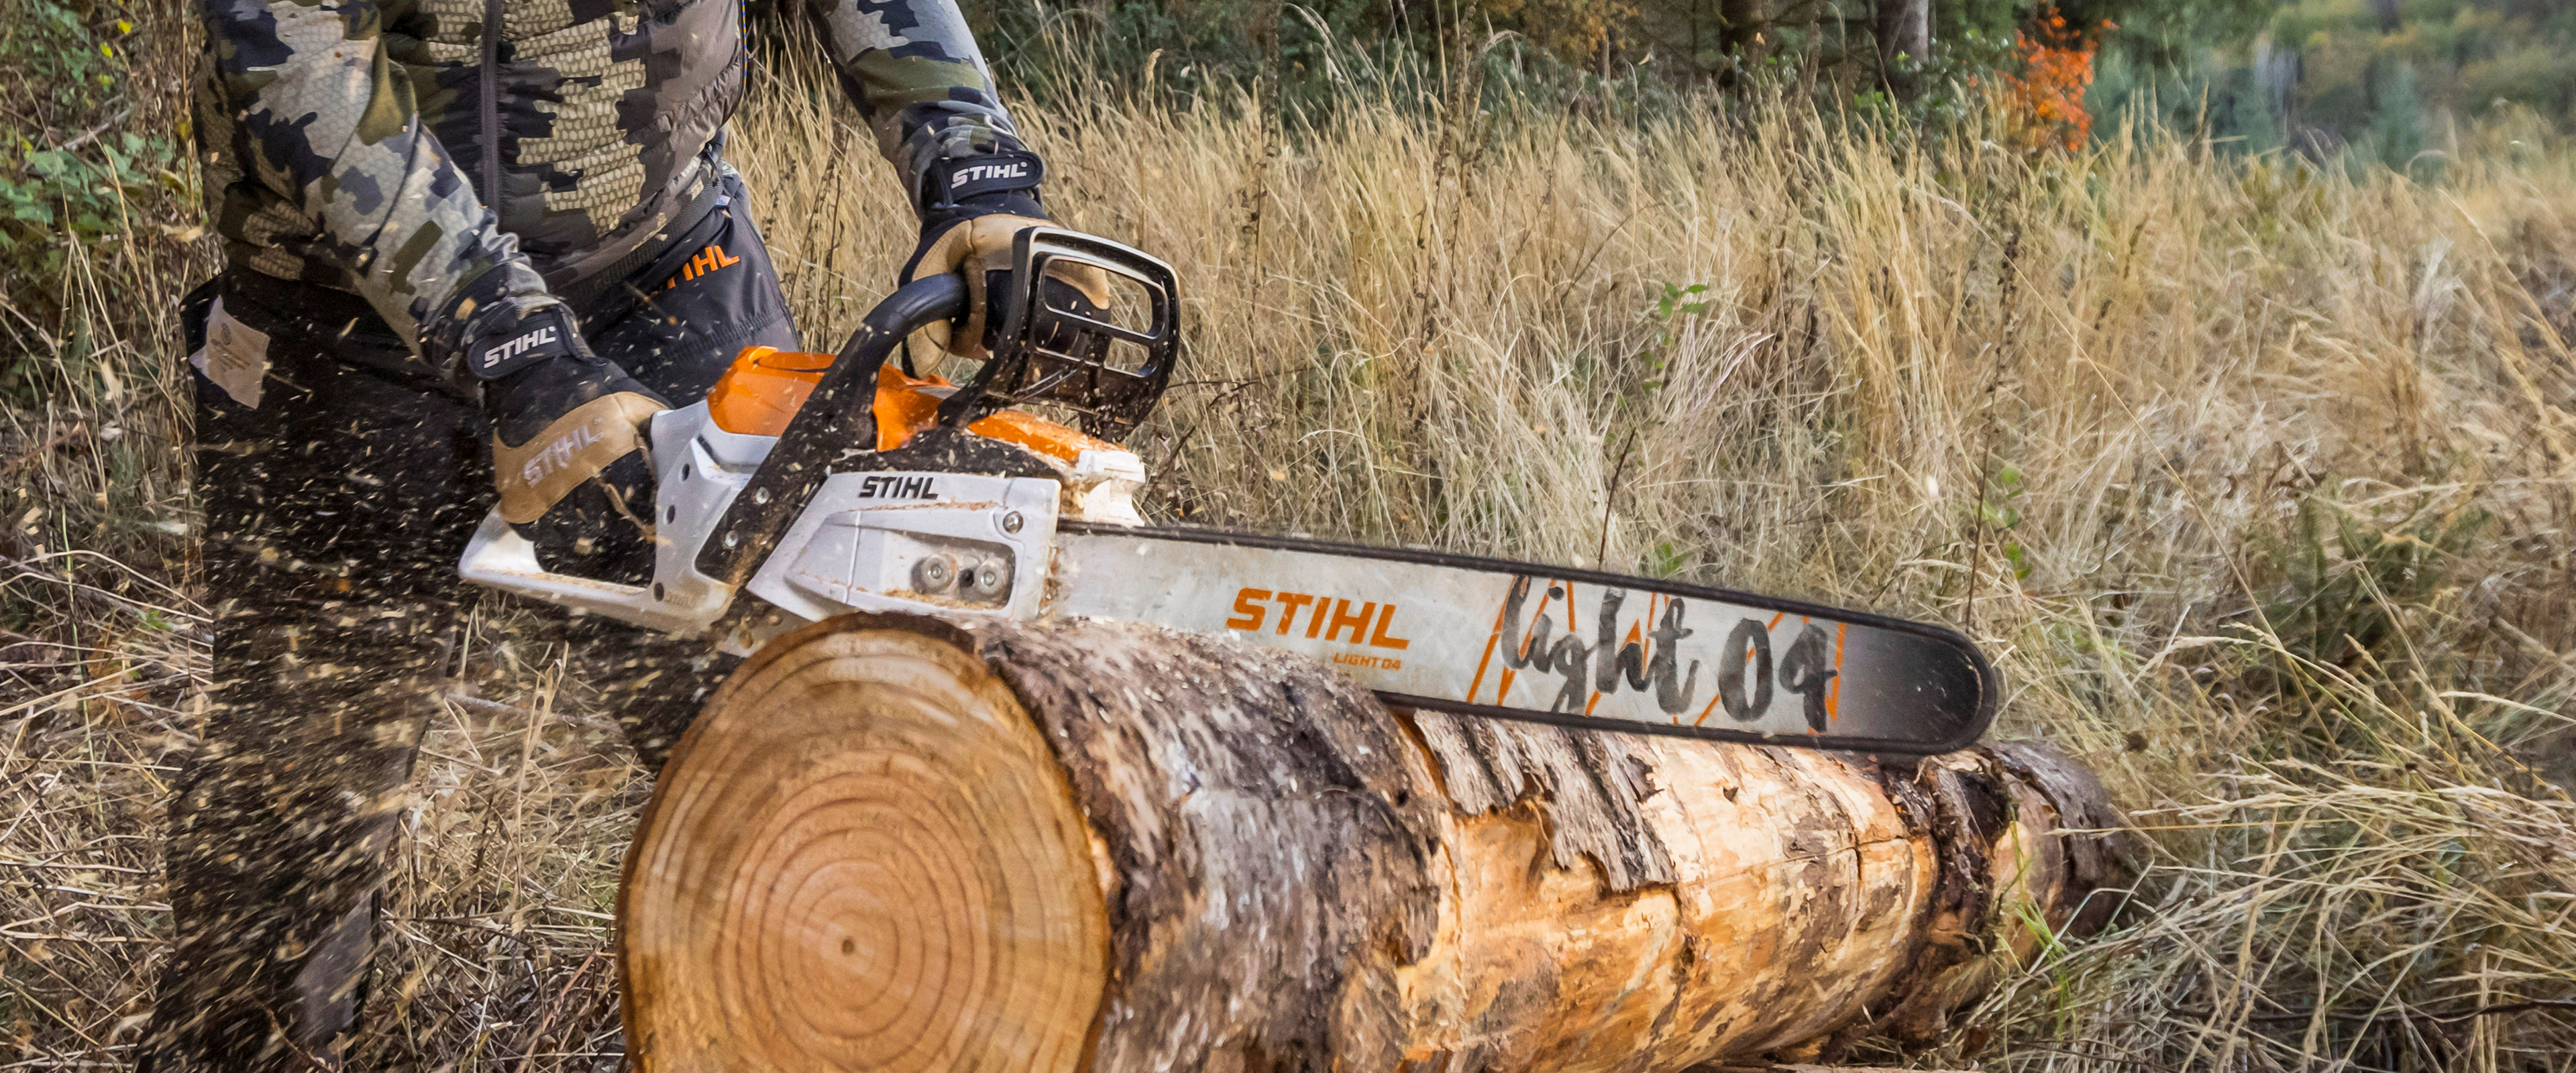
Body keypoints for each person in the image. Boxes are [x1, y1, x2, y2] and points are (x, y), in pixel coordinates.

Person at [147, 1, 1096, 1068]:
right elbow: (294, 50)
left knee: (813, 768)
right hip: (338, 313)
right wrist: (507, 339)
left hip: (660, 269)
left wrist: (976, 164)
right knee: (294, 819)